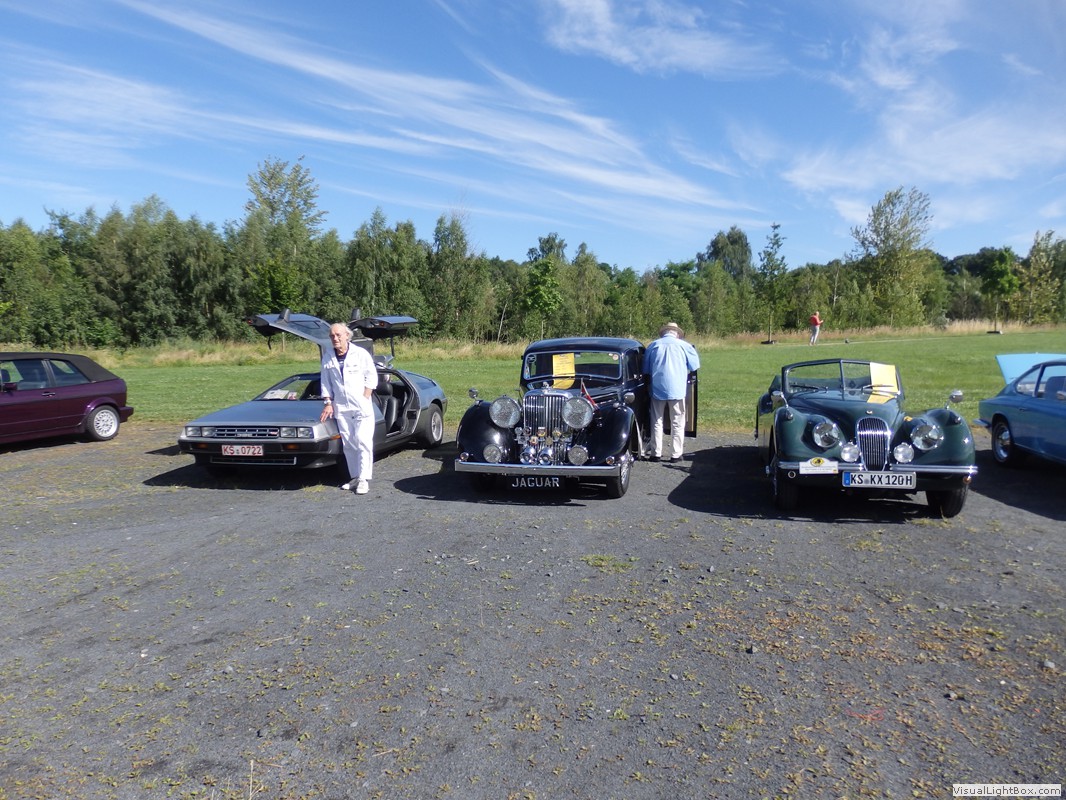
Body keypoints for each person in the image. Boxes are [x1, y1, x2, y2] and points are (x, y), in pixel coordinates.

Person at [319, 322, 378, 494]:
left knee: (363, 441)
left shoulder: (360, 354)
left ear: (347, 335)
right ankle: (355, 477)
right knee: (349, 443)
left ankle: (364, 479)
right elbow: (325, 381)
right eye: (332, 336)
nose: (335, 338)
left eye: (338, 335)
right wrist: (328, 402)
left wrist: (365, 397)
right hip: (341, 407)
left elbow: (371, 376)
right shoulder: (328, 356)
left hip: (361, 405)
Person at [643, 322, 700, 463]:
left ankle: (656, 453)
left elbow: (646, 369)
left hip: (657, 388)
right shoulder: (685, 346)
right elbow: (694, 366)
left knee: (657, 421)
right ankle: (675, 454)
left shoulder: (653, 345)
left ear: (664, 332)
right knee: (677, 422)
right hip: (677, 389)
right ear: (677, 333)